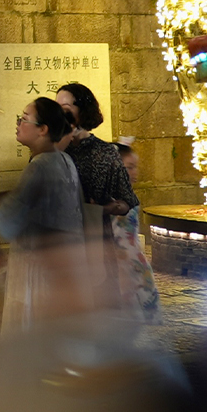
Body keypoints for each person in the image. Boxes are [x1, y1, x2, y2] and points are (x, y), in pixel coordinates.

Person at [0, 97, 83, 331]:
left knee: (30, 333)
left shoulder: (39, 165)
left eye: (24, 119)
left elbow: (9, 220)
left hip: (37, 263)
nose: (17, 124)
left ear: (43, 129)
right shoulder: (63, 159)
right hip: (62, 262)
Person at [55, 82, 134, 226]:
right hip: (57, 235)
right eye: (56, 109)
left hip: (95, 235)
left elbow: (127, 201)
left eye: (65, 109)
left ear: (83, 111)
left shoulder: (105, 152)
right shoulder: (51, 148)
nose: (60, 115)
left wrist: (105, 209)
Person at [112, 137, 160, 322]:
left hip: (135, 261)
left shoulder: (128, 195)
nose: (134, 172)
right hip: (121, 263)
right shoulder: (110, 199)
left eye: (135, 167)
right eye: (129, 167)